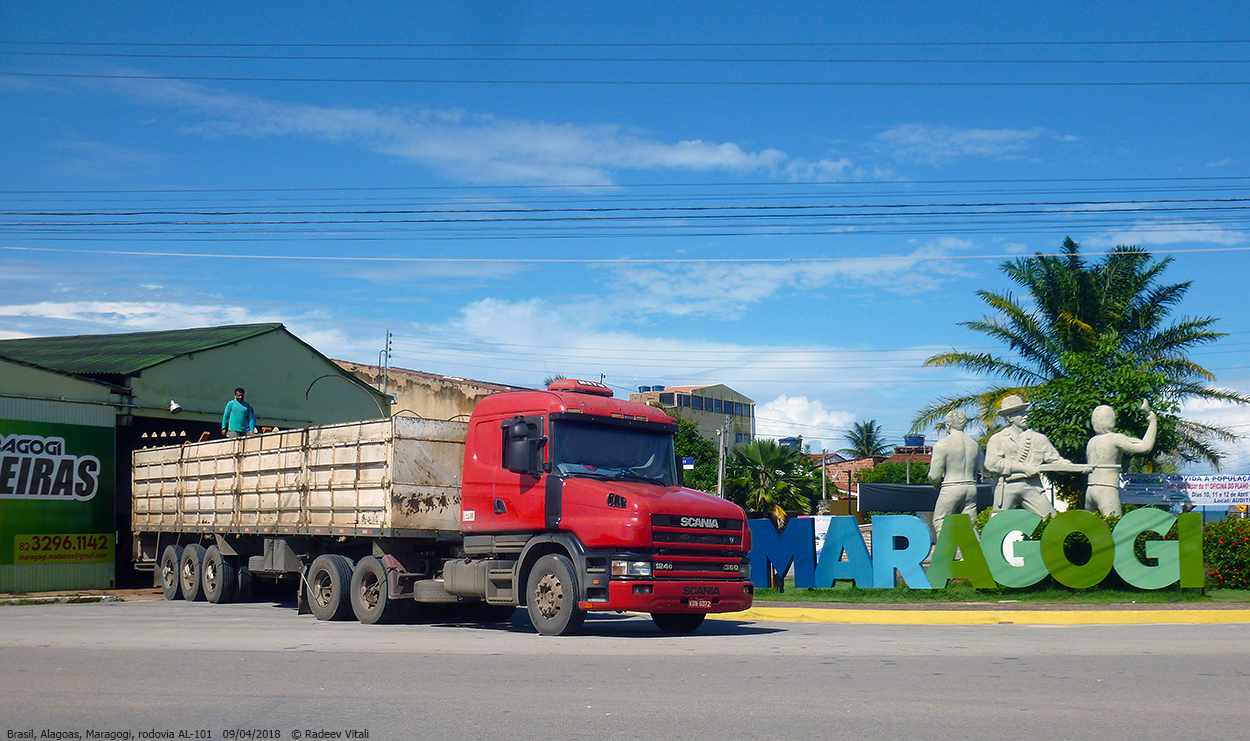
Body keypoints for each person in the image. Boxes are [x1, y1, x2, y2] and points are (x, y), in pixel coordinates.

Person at [984, 395, 1081, 518]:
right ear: (1011, 418)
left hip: (1032, 486)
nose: (1026, 417)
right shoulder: (997, 439)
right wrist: (1023, 468)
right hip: (1006, 487)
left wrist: (1069, 467)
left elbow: (1055, 460)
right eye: (1021, 414)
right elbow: (992, 464)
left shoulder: (1038, 439)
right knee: (997, 525)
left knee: (1051, 519)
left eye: (1025, 413)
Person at [1085, 401, 1157, 517]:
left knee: (1089, 528)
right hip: (1107, 488)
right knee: (1114, 528)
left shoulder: (1092, 441)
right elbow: (1145, 447)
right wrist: (1152, 420)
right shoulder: (1116, 439)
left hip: (1090, 489)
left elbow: (1131, 441)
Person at [928, 410, 982, 539]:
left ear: (948, 424)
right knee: (971, 525)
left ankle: (946, 556)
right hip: (971, 487)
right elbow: (976, 471)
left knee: (940, 521)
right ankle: (972, 555)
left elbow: (934, 476)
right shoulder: (974, 445)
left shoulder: (942, 445)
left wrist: (935, 484)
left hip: (951, 487)